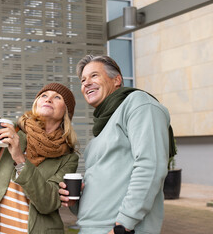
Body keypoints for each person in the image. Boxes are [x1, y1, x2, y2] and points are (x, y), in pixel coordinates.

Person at [0, 22, 79, 233]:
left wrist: (20, 158)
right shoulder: (12, 132)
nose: (48, 98)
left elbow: (48, 202)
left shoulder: (68, 157)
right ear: (36, 103)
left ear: (66, 114)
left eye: (57, 97)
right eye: (43, 95)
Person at [59, 55, 175, 234]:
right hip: (90, 228)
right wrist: (75, 202)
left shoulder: (138, 103)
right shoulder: (100, 132)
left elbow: (150, 166)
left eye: (94, 76)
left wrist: (123, 226)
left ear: (117, 80)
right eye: (82, 80)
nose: (86, 83)